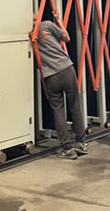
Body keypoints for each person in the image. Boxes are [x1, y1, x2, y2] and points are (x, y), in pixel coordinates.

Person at [33, 12, 88, 160]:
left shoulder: (30, 36)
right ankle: (81, 142)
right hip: (66, 68)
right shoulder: (46, 25)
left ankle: (67, 148)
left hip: (50, 75)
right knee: (75, 106)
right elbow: (66, 37)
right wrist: (59, 21)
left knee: (58, 110)